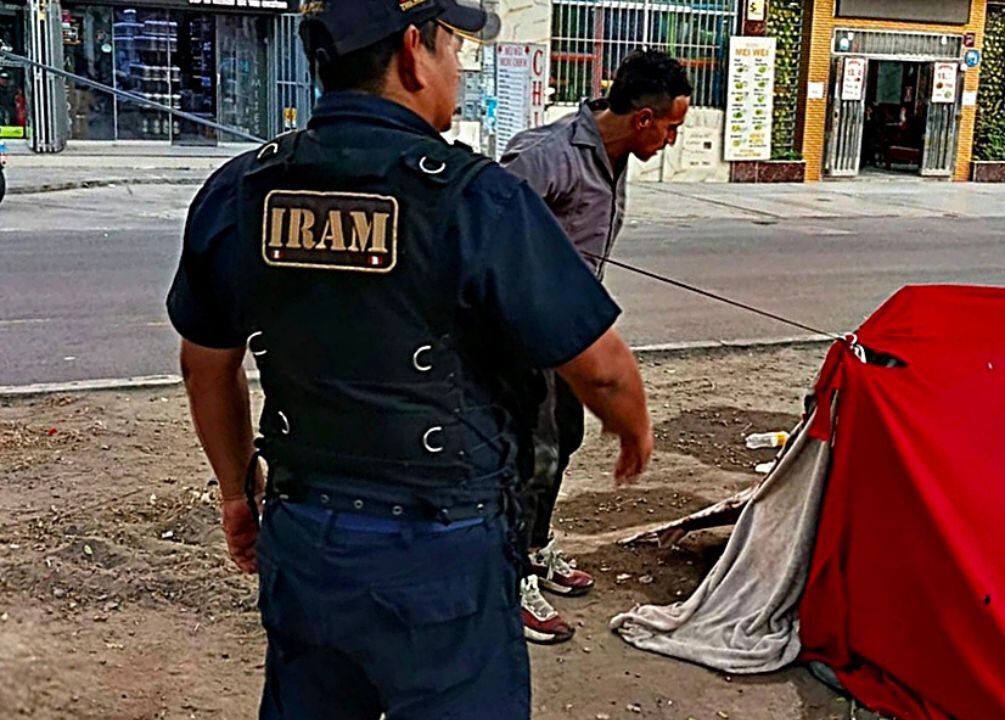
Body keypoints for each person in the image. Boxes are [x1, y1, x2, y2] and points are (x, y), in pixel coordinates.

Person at [165, 0, 654, 716]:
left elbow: (204, 363)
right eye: (453, 48)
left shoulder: (243, 189)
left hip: (306, 537)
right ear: (411, 52)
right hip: (442, 548)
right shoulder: (474, 196)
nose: (458, 68)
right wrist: (634, 427)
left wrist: (238, 491)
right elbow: (601, 368)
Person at [500, 49, 690, 644]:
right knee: (534, 452)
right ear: (642, 120)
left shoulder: (614, 154)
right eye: (671, 127)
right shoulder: (544, 156)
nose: (672, 139)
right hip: (521, 333)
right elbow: (485, 237)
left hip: (569, 332)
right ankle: (511, 578)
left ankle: (537, 544)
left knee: (566, 438)